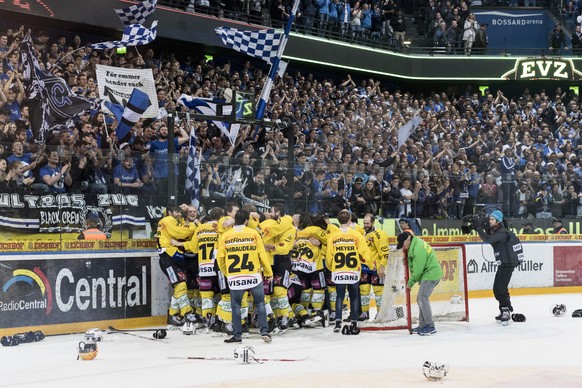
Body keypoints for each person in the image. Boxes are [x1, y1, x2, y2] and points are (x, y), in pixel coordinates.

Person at [216, 209, 273, 344]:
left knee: (235, 305)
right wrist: (269, 272)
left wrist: (227, 273)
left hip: (235, 277)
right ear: (247, 220)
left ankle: (237, 335)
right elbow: (262, 255)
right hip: (253, 275)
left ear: (235, 220)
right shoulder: (253, 233)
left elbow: (220, 258)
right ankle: (264, 332)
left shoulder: (226, 235)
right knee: (260, 303)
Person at [326, 209, 372, 334]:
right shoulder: (356, 235)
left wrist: (331, 269)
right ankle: (354, 322)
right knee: (354, 297)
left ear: (338, 220)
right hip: (353, 271)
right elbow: (365, 252)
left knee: (340, 297)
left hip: (339, 271)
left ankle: (337, 323)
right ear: (350, 220)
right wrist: (371, 264)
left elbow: (329, 257)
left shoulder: (333, 236)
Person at [475, 210, 523, 324]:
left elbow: (488, 239)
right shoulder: (496, 231)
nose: (490, 221)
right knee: (496, 289)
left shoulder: (501, 232)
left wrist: (478, 228)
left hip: (508, 263)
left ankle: (506, 310)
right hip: (503, 263)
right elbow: (489, 236)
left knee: (501, 288)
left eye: (492, 219)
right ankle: (503, 309)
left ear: (498, 221)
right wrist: (479, 223)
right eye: (490, 219)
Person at [156, 205, 199, 327]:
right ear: (169, 212)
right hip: (167, 258)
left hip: (172, 258)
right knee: (180, 285)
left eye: (180, 212)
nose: (179, 214)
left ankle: (173, 315)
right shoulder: (167, 220)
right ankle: (187, 313)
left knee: (180, 285)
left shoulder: (174, 221)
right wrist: (192, 226)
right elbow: (179, 233)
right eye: (177, 211)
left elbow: (179, 228)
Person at [396, 231, 442, 335]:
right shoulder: (414, 245)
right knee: (421, 298)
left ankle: (430, 326)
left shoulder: (418, 248)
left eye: (403, 245)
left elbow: (418, 271)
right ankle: (423, 325)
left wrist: (410, 283)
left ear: (408, 240)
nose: (403, 247)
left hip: (431, 274)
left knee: (422, 298)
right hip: (428, 274)